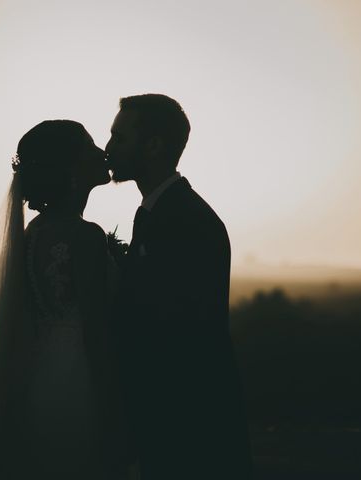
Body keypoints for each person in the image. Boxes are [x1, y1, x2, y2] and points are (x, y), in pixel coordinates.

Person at [0, 120, 128, 480]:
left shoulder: (33, 233)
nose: (102, 151)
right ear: (71, 168)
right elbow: (96, 333)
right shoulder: (85, 236)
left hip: (39, 379)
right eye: (90, 146)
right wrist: (114, 410)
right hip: (80, 382)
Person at [106, 94, 253, 478]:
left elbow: (180, 332)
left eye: (119, 138)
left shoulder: (189, 221)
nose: (107, 149)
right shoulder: (161, 212)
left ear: (153, 145)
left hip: (189, 422)